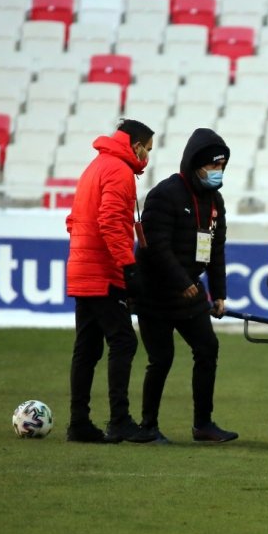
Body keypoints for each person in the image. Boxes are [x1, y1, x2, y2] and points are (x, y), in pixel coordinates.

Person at [130, 128, 238, 445]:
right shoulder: (165, 195)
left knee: (208, 349)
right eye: (212, 167)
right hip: (155, 294)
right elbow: (155, 247)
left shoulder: (215, 201)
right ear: (194, 164)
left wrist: (218, 294)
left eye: (222, 167)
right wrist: (182, 282)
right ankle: (148, 426)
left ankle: (203, 424)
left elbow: (216, 250)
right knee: (161, 359)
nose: (218, 173)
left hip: (190, 295)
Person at [65, 118, 155, 443]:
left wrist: (82, 254)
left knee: (87, 346)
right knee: (123, 341)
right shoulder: (119, 171)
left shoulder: (95, 166)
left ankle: (79, 422)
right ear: (135, 145)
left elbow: (73, 220)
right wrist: (128, 268)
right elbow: (111, 223)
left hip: (81, 267)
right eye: (147, 148)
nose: (147, 156)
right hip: (102, 271)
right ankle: (119, 420)